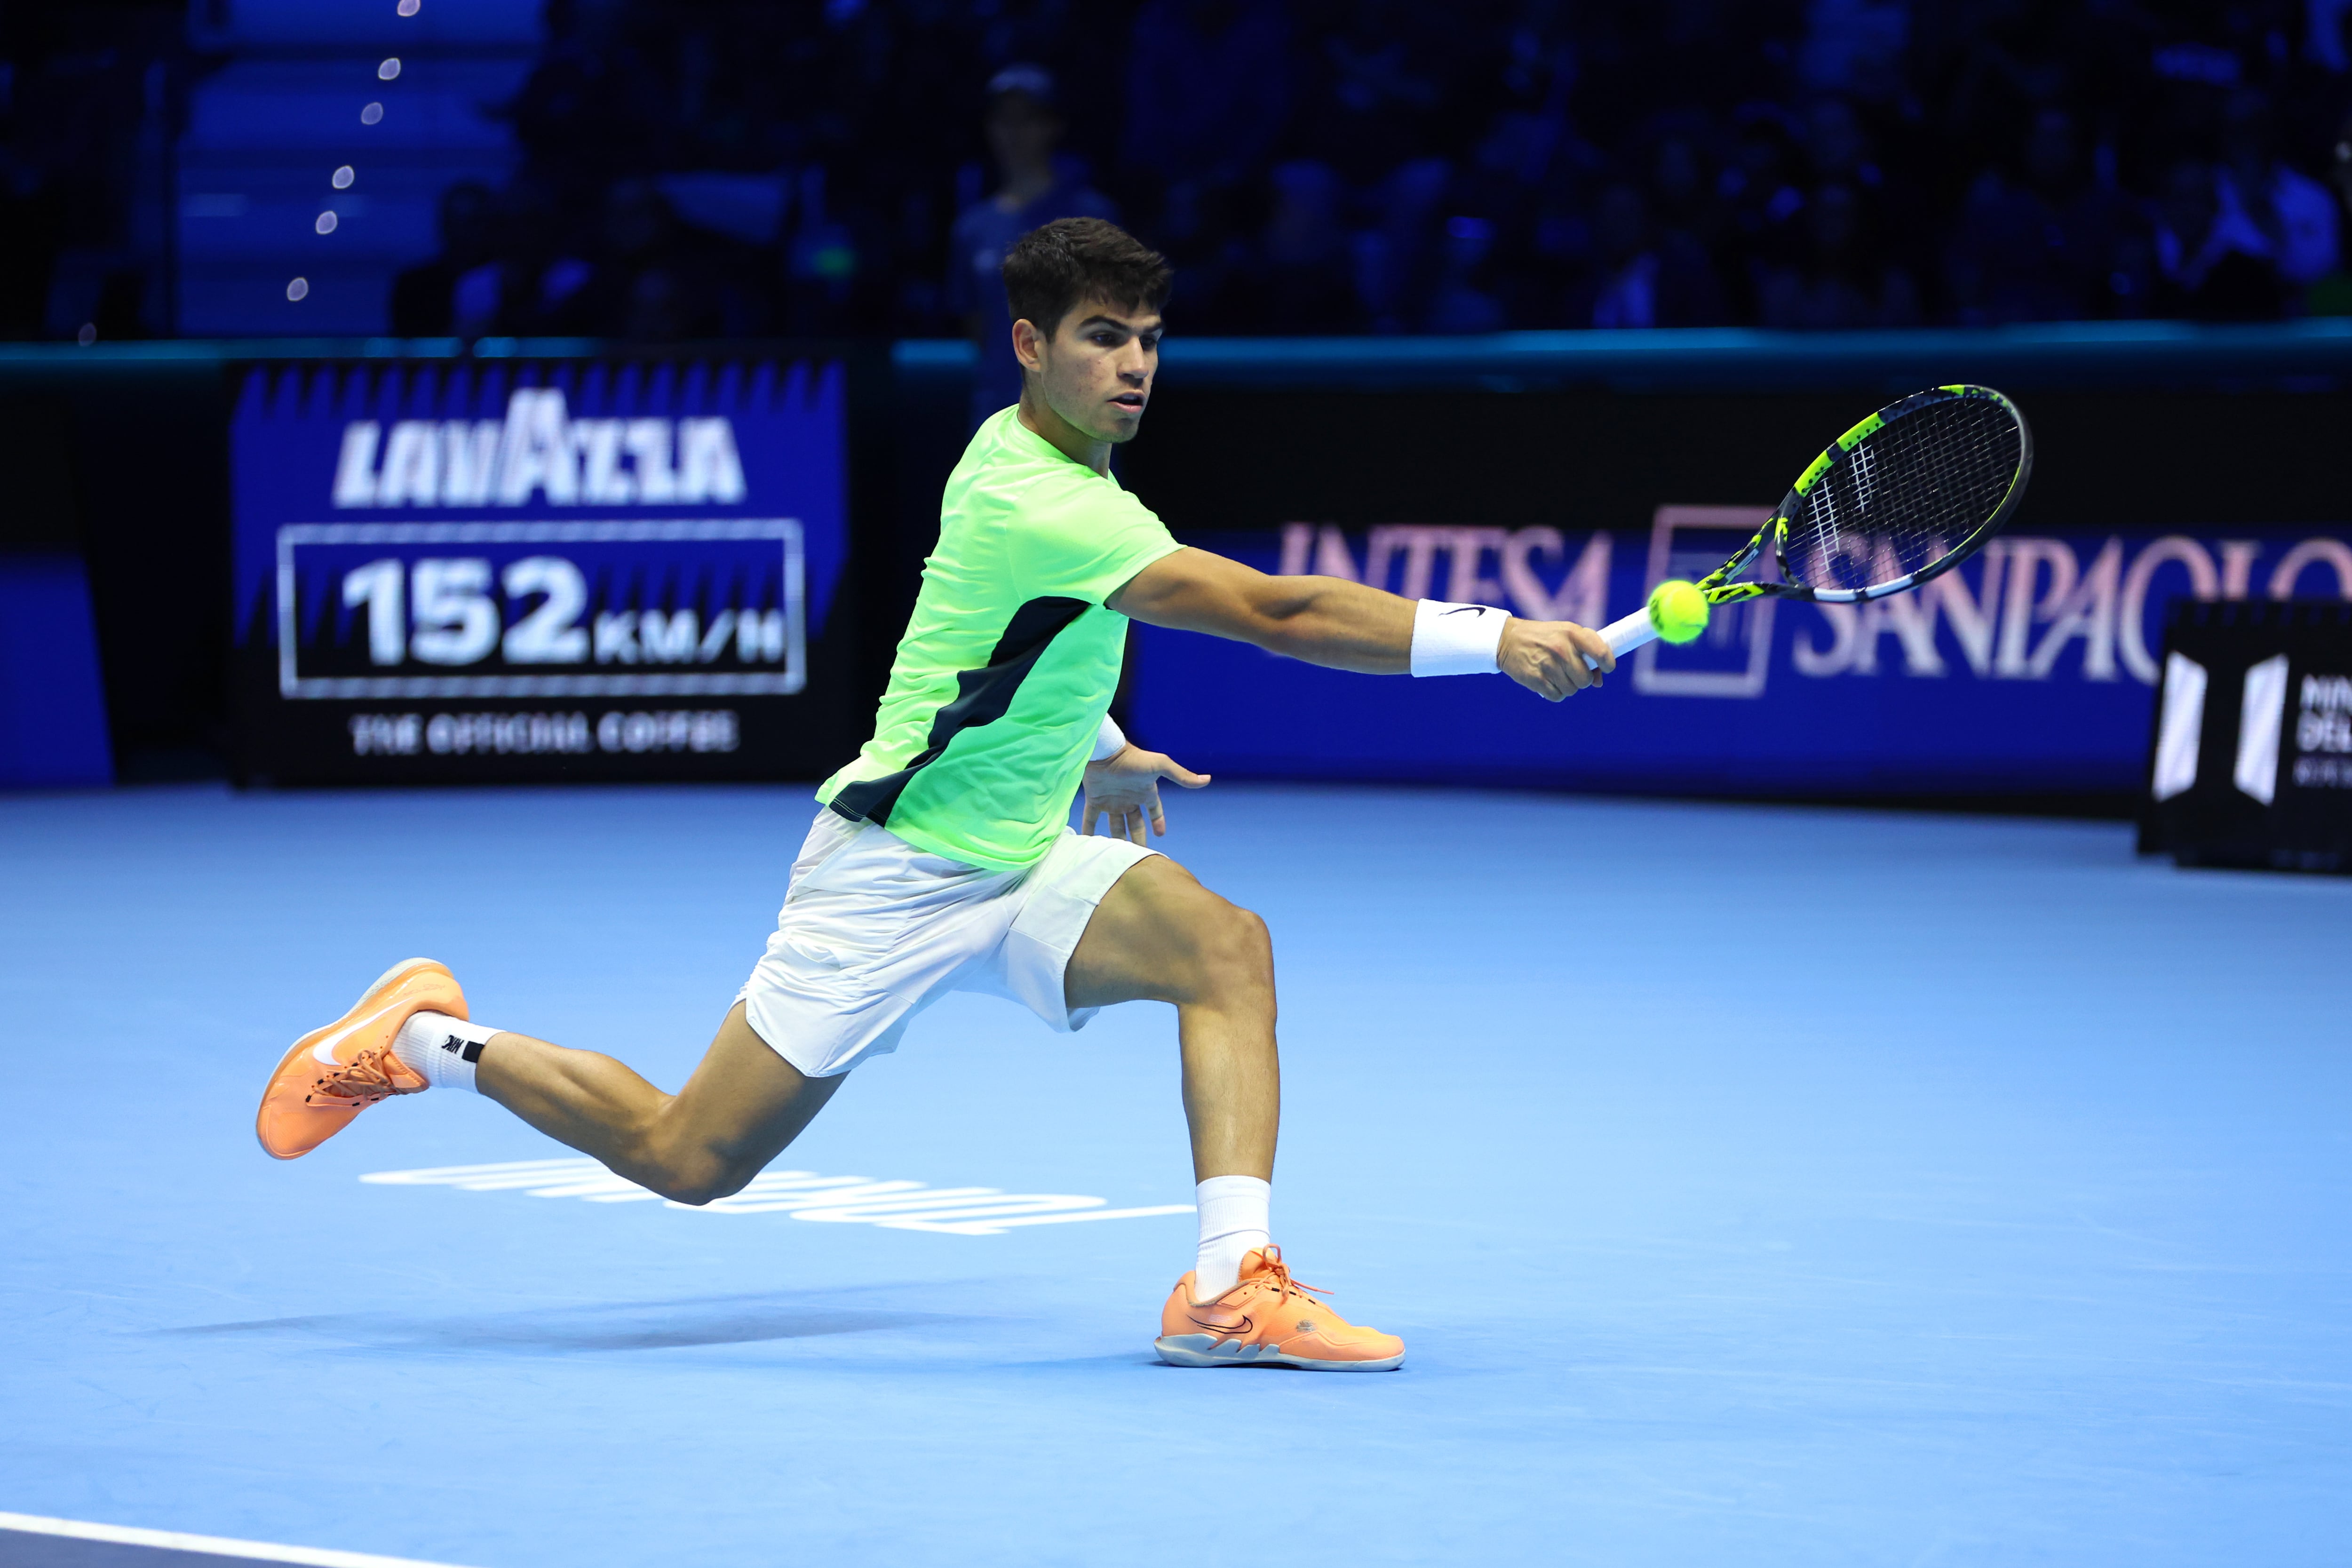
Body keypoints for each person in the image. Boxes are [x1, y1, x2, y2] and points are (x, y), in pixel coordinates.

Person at [255, 218, 1616, 1371]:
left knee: (1224, 946)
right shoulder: (1044, 493)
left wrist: (1097, 739)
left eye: (1147, 336)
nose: (1134, 362)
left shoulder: (1064, 468)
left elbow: (1015, 645)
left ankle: (1225, 1291)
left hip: (1019, 856)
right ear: (1030, 344)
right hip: (891, 874)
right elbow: (1274, 607)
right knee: (690, 1154)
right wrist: (1488, 634)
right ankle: (424, 1040)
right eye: (1101, 335)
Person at [948, 65, 1115, 432]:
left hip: (1081, 421)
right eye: (1003, 120)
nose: (1014, 132)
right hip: (1000, 416)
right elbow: (978, 328)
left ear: (1053, 126)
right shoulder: (972, 228)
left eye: (1027, 119)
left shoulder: (1093, 216)